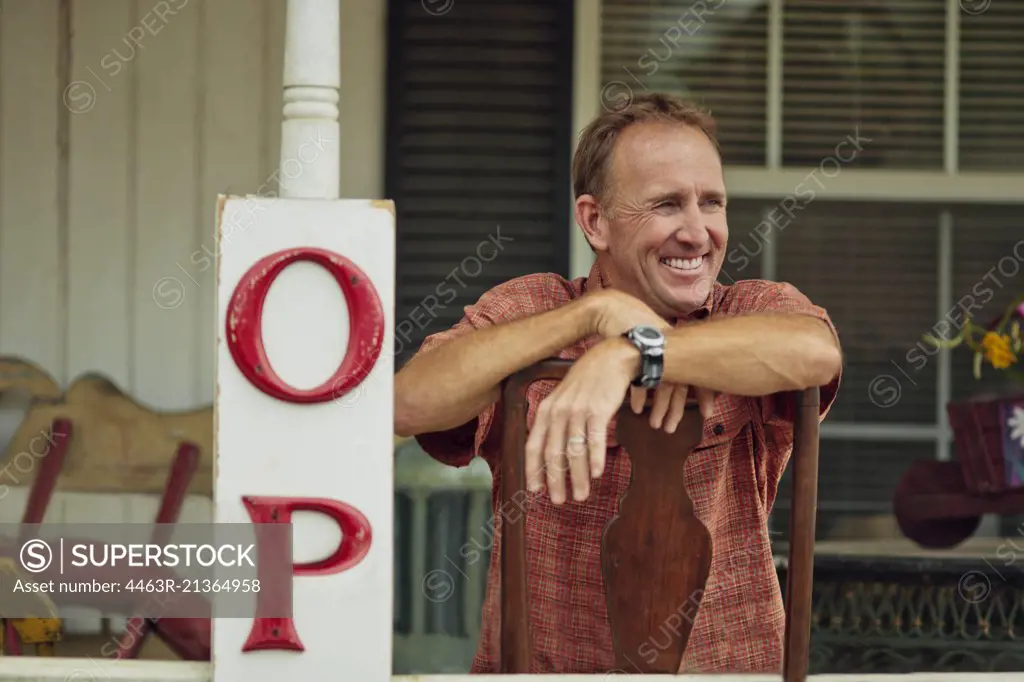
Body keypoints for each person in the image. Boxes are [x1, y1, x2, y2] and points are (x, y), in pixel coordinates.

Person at [394, 92, 843, 674]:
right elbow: (406, 404)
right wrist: (591, 316)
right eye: (666, 205)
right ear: (595, 221)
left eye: (711, 202)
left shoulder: (750, 308)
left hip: (731, 673)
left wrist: (638, 353)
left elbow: (815, 351)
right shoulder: (534, 307)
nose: (697, 232)